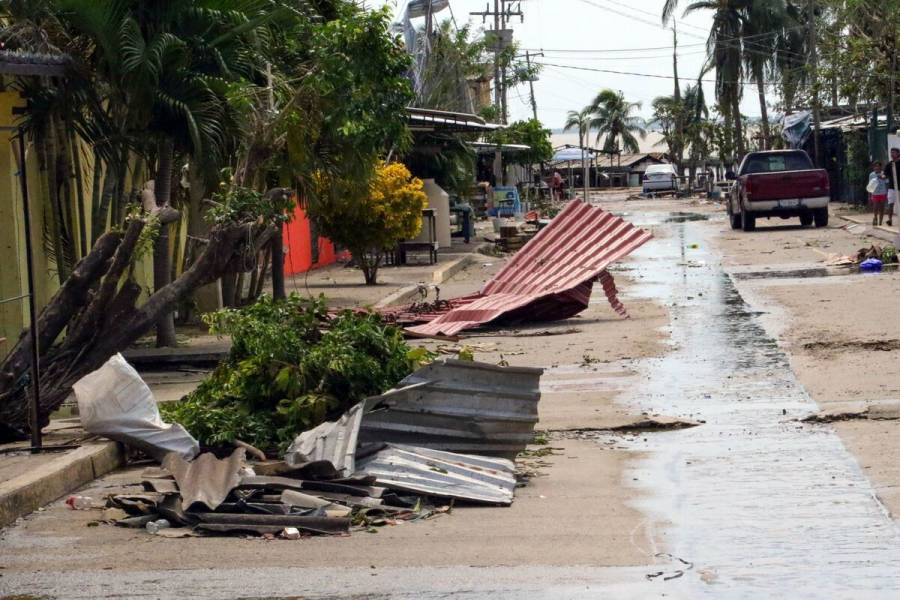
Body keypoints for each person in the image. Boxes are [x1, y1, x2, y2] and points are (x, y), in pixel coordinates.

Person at [869, 161, 888, 226]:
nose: (877, 168)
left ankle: (880, 222)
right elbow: (870, 185)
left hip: (883, 193)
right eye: (875, 166)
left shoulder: (884, 173)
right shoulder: (871, 175)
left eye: (878, 166)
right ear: (873, 167)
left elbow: (887, 182)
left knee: (882, 208)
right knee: (875, 207)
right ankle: (875, 217)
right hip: (875, 193)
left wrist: (883, 177)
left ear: (881, 167)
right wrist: (869, 196)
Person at [885, 147, 900, 227]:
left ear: (898, 153)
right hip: (892, 187)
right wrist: (883, 176)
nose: (892, 154)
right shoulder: (889, 164)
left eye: (894, 152)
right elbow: (885, 174)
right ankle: (890, 220)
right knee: (891, 204)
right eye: (891, 152)